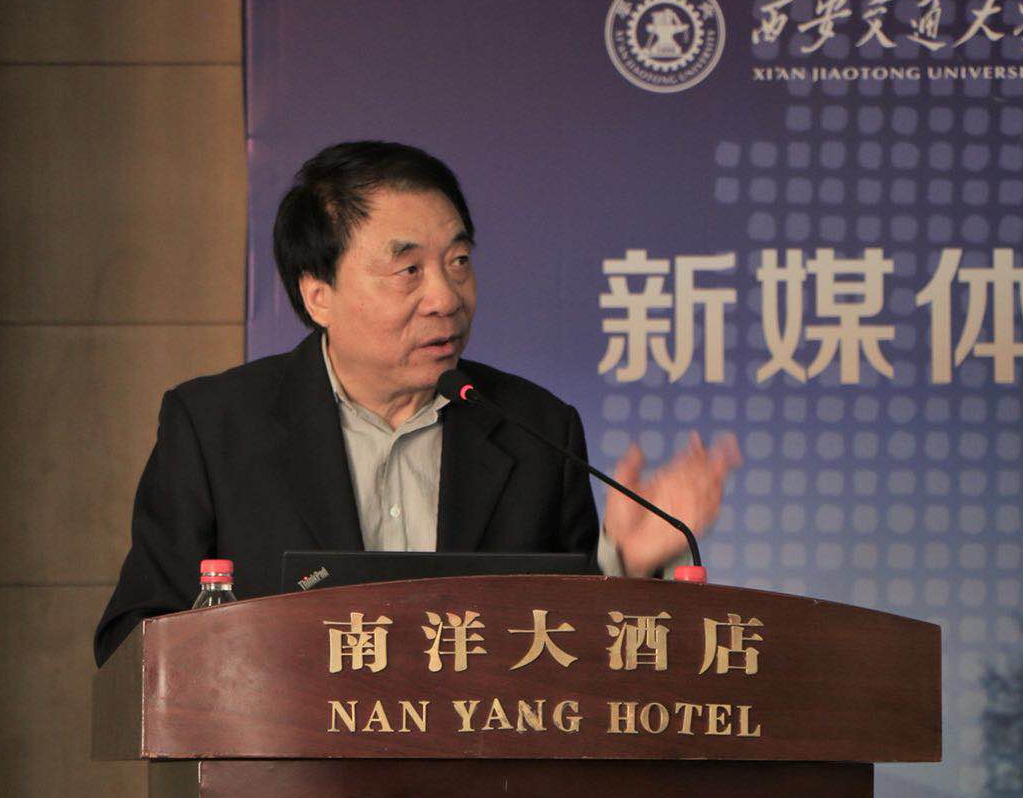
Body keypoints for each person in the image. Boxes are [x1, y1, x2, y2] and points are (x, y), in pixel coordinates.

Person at [94, 141, 739, 665]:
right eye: (409, 270)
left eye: (458, 261)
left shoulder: (535, 429)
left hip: (485, 783)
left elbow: (569, 651)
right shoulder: (216, 429)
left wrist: (623, 562)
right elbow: (131, 639)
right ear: (319, 295)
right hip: (283, 780)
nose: (446, 297)